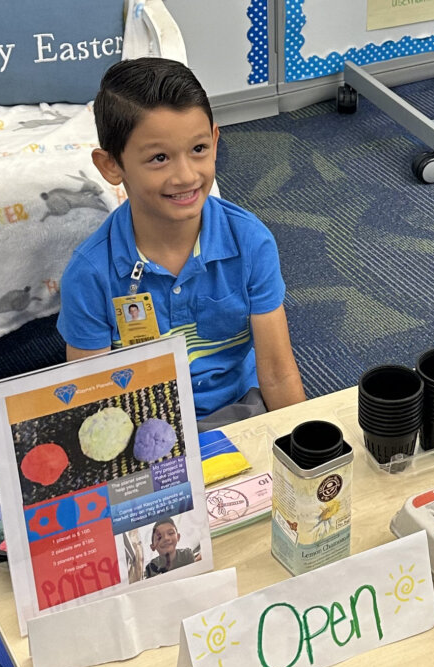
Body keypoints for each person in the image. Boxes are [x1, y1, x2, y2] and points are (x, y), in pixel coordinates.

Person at [58, 57, 306, 427]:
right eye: (159, 158)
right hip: (143, 427)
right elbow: (93, 400)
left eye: (199, 149)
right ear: (111, 166)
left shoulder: (251, 242)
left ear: (215, 140)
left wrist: (305, 454)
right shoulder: (90, 274)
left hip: (243, 408)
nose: (187, 176)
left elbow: (277, 373)